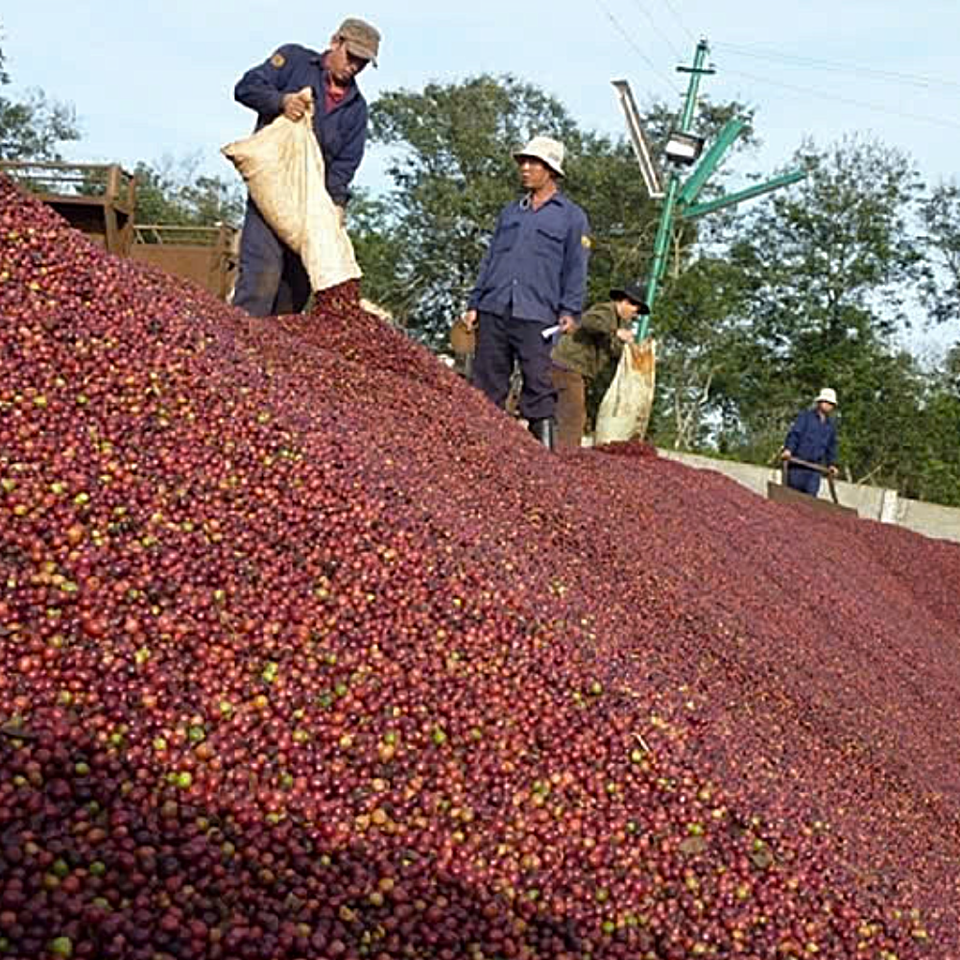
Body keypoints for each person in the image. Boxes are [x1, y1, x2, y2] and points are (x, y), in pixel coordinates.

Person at [232, 18, 381, 316]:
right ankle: (239, 343)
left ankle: (277, 347)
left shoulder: (356, 109)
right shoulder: (294, 62)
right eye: (351, 57)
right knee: (261, 279)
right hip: (272, 194)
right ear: (335, 42)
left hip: (311, 208)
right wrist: (280, 101)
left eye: (362, 63)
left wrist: (335, 207)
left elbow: (344, 166)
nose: (354, 67)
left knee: (294, 294)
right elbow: (246, 88)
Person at [462, 136, 591, 450]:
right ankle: (481, 449)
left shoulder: (571, 217)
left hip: (538, 313)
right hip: (495, 306)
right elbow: (490, 259)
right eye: (523, 162)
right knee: (485, 383)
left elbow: (577, 266)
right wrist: (475, 302)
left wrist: (570, 310)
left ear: (551, 171)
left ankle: (541, 458)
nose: (525, 168)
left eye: (534, 163)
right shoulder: (510, 213)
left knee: (538, 384)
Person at [551, 281, 650, 450]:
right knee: (574, 417)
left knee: (554, 412)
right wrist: (616, 333)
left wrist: (636, 352)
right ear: (625, 301)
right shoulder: (606, 311)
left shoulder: (618, 322)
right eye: (635, 309)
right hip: (568, 367)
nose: (636, 315)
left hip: (574, 371)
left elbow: (614, 351)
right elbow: (589, 322)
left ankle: (548, 448)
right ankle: (566, 455)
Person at [781, 388, 840, 496]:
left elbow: (831, 447)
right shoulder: (806, 417)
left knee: (810, 500)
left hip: (814, 471)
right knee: (792, 497)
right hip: (798, 465)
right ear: (819, 402)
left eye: (831, 404)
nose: (828, 405)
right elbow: (795, 434)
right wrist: (788, 450)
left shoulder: (830, 426)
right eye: (826, 402)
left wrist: (832, 464)